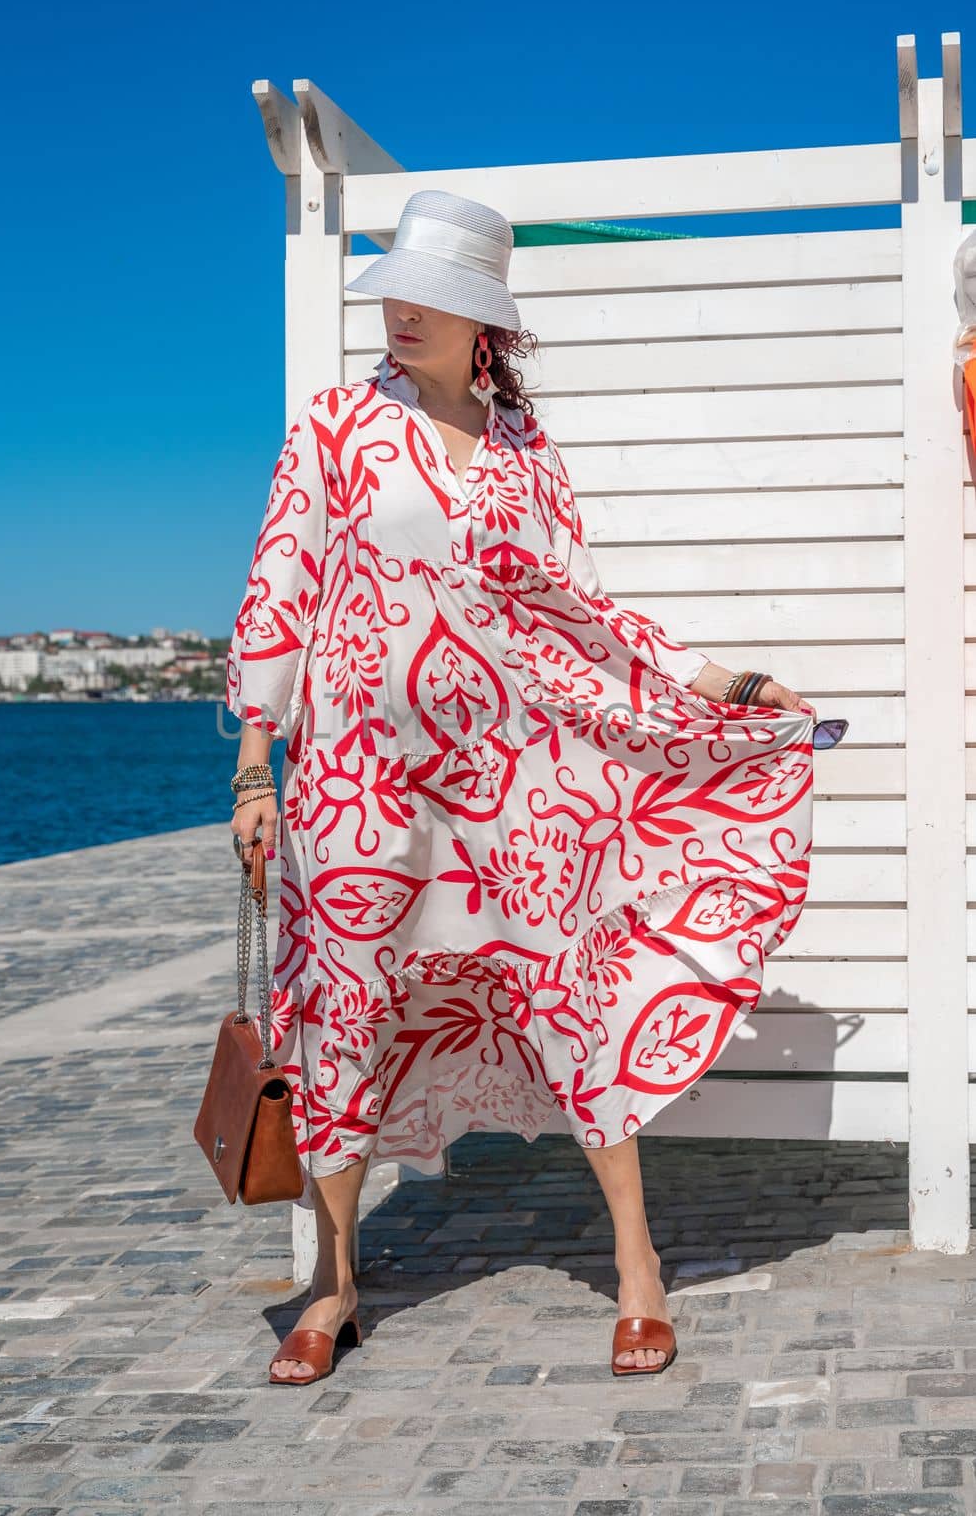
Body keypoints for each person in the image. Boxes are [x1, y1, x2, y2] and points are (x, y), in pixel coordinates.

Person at [226, 189, 817, 1384]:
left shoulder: (523, 453)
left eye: (432, 300)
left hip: (511, 777)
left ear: (483, 323)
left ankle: (637, 1268)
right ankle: (333, 1286)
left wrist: (709, 676)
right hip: (355, 779)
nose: (403, 314)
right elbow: (279, 590)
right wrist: (254, 763)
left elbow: (576, 609)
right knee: (345, 1012)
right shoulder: (333, 428)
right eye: (394, 292)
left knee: (568, 994)